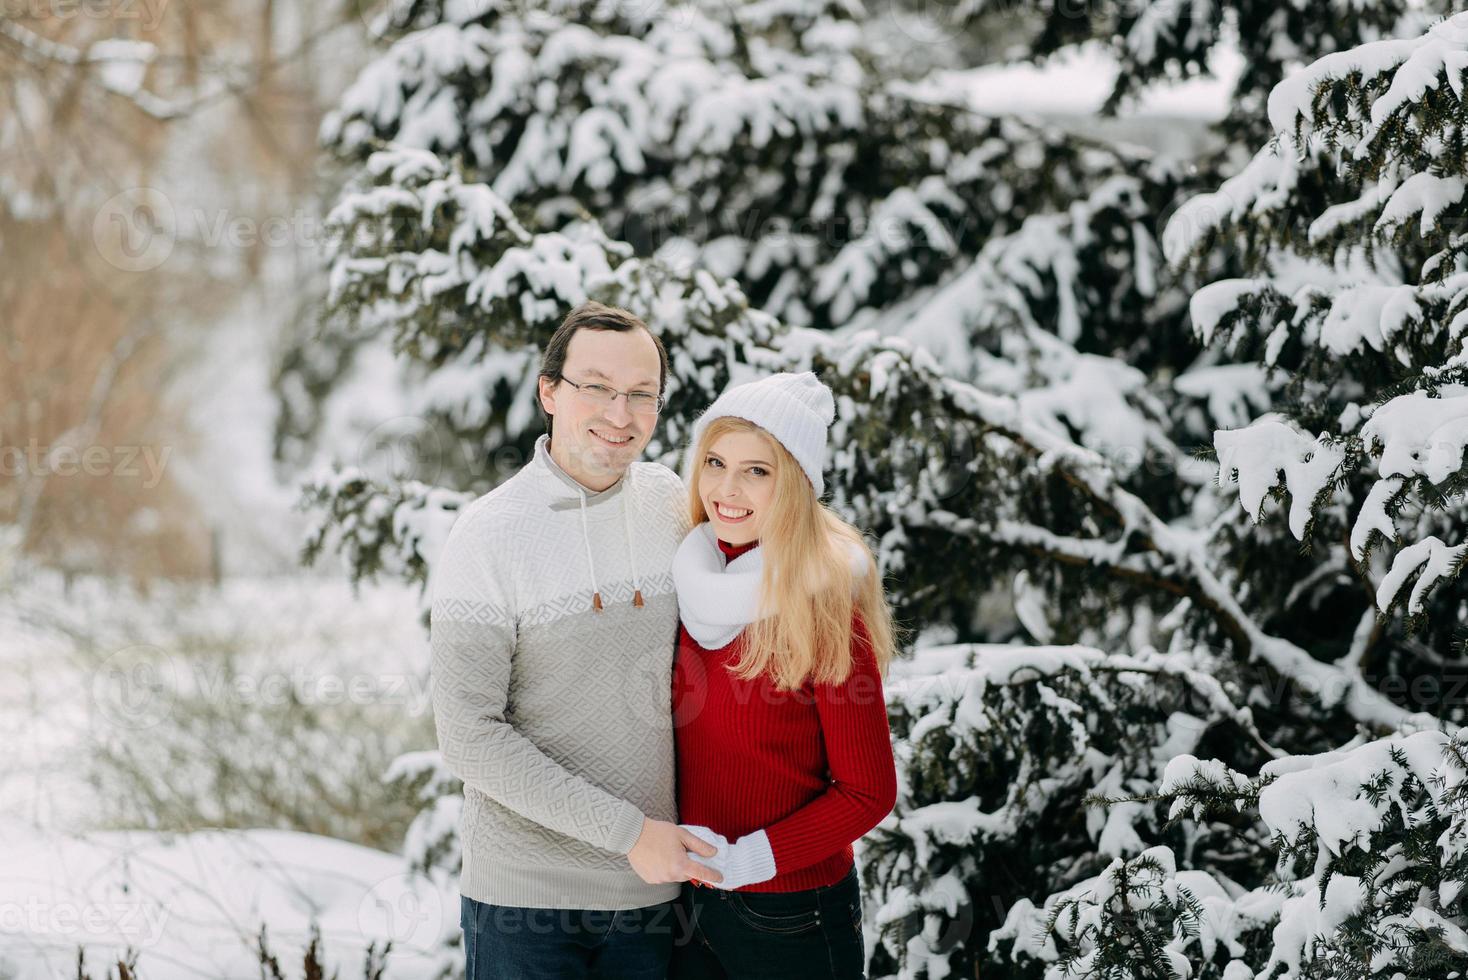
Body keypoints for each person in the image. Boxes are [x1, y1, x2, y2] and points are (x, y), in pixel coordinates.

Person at [429, 300, 724, 980]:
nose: (620, 415)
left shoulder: (671, 505)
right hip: (526, 903)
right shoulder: (488, 535)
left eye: (640, 395)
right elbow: (469, 734)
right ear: (550, 391)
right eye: (596, 388)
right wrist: (626, 833)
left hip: (654, 894)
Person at [666, 371, 900, 979]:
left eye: (757, 471)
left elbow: (869, 792)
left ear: (794, 486)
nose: (727, 488)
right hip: (689, 905)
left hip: (791, 914)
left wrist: (750, 860)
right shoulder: (688, 580)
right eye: (715, 462)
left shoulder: (822, 603)